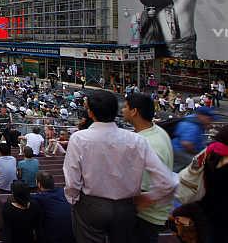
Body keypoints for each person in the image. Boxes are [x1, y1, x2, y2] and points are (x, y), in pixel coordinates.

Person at [63, 90, 177, 243]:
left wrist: (74, 199)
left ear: (90, 113)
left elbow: (72, 181)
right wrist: (148, 197)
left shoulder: (78, 138)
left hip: (91, 205)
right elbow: (168, 181)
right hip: (126, 207)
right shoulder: (137, 140)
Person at [122, 92, 174, 243]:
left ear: (134, 111)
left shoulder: (147, 144)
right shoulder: (157, 131)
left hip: (145, 217)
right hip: (152, 214)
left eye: (126, 107)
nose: (122, 110)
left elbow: (144, 191)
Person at [31, 172, 74, 243]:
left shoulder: (39, 198)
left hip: (54, 238)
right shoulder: (63, 191)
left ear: (39, 184)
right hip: (72, 235)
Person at [171, 106, 216, 171]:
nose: (210, 121)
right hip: (181, 151)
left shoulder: (192, 119)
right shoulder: (193, 126)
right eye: (209, 119)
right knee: (198, 165)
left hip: (178, 148)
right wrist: (197, 154)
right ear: (201, 116)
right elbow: (186, 144)